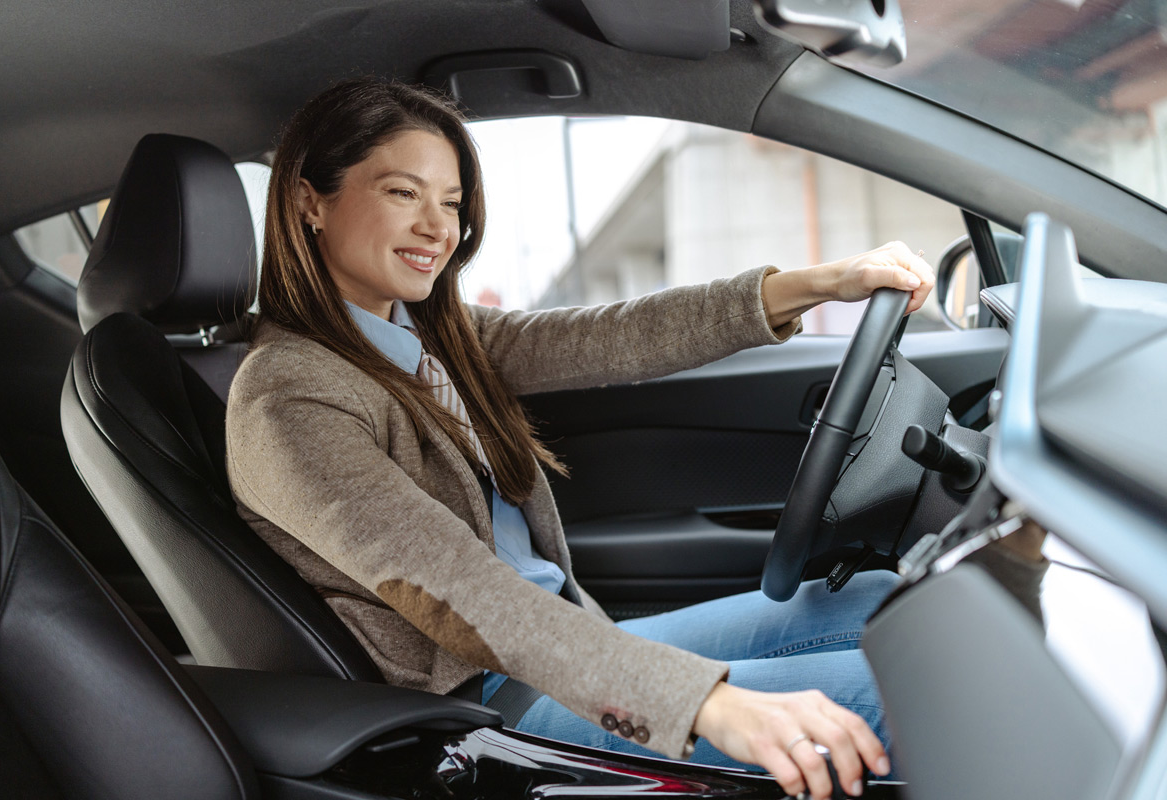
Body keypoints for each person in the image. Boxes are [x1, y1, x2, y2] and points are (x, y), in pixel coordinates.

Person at [226, 78, 933, 800]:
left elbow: (616, 336)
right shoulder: (288, 394)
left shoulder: (430, 337)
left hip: (565, 645)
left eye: (452, 203)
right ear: (310, 200)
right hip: (494, 702)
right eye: (404, 193)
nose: (438, 227)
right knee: (921, 699)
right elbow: (454, 589)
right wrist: (704, 706)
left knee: (877, 597)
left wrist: (822, 283)